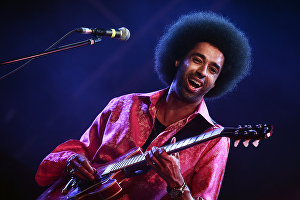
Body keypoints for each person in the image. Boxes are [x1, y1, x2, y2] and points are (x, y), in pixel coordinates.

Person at [36, 11, 251, 200]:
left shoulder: (214, 140)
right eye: (197, 59)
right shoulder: (125, 104)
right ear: (178, 59)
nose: (202, 72)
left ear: (217, 82)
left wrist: (177, 183)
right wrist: (72, 160)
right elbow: (81, 149)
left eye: (213, 70)